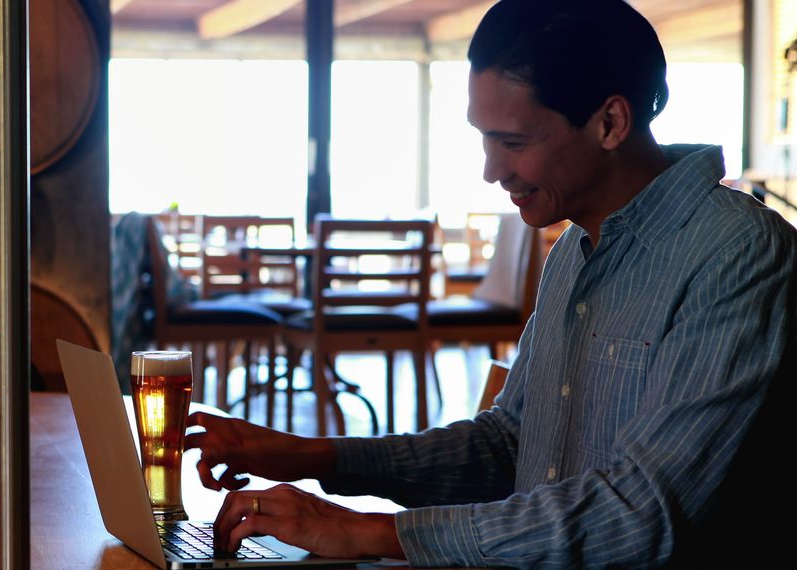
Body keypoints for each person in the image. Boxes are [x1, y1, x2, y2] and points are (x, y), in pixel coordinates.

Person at [184, 0, 797, 566]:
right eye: (483, 137)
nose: (490, 169)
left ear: (610, 122)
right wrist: (310, 457)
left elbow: (643, 514)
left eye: (513, 141)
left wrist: (369, 532)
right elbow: (509, 446)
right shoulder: (576, 250)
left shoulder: (740, 255)